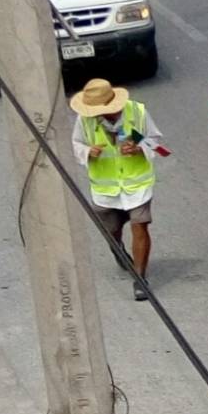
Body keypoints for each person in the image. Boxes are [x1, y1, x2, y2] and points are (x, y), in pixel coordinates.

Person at [70, 78, 163, 301]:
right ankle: (117, 247)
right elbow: (76, 144)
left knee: (140, 227)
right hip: (106, 191)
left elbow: (156, 143)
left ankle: (140, 278)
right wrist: (87, 152)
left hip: (136, 186)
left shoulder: (137, 113)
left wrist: (139, 147)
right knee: (112, 230)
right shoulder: (85, 121)